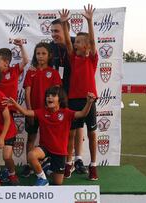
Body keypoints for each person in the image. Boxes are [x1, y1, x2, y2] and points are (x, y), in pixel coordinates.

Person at [3, 86, 96, 186]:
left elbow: (82, 114)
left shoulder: (67, 113)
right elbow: (26, 112)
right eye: (48, 96)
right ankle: (42, 178)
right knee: (31, 155)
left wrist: (89, 102)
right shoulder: (42, 112)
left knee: (58, 183)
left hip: (60, 152)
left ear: (60, 99)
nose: (49, 98)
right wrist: (15, 104)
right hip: (45, 148)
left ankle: (47, 167)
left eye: (53, 96)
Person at [59, 4, 99, 180]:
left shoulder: (92, 59)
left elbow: (93, 41)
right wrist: (65, 24)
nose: (75, 44)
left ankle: (93, 165)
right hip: (74, 100)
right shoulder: (73, 59)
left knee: (91, 134)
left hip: (89, 100)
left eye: (79, 42)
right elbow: (67, 42)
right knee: (71, 134)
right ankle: (68, 164)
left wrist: (89, 21)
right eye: (75, 42)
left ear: (87, 46)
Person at [50, 16, 88, 176]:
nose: (54, 34)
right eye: (52, 31)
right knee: (60, 125)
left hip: (75, 92)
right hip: (57, 93)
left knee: (78, 125)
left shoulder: (75, 42)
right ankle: (64, 159)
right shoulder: (50, 47)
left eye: (56, 31)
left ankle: (78, 159)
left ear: (66, 30)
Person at [21, 42, 62, 177]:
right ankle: (29, 164)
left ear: (49, 55)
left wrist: (53, 111)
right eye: (38, 53)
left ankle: (47, 163)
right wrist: (29, 110)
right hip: (33, 111)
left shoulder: (54, 73)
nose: (40, 56)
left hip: (48, 113)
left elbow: (57, 94)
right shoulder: (31, 72)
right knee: (31, 138)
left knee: (48, 139)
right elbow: (27, 92)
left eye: (43, 53)